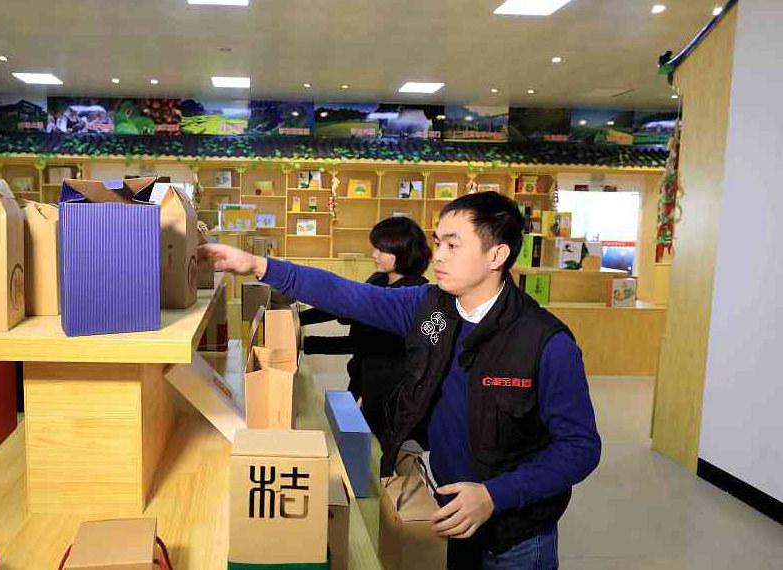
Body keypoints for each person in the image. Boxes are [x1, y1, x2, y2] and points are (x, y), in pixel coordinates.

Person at [201, 192, 601, 570]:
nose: (438, 255)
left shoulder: (546, 342)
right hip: (446, 511)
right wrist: (259, 266)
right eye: (438, 242)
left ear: (496, 255)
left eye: (453, 245)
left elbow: (580, 448)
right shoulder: (430, 306)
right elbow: (348, 295)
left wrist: (493, 496)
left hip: (517, 535)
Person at [301, 216, 430, 440]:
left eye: (382, 250)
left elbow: (365, 343)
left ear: (404, 252)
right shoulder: (379, 279)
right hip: (366, 377)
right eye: (375, 248)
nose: (374, 255)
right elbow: (346, 306)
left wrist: (305, 343)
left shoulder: (413, 294)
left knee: (387, 442)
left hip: (392, 388)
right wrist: (298, 319)